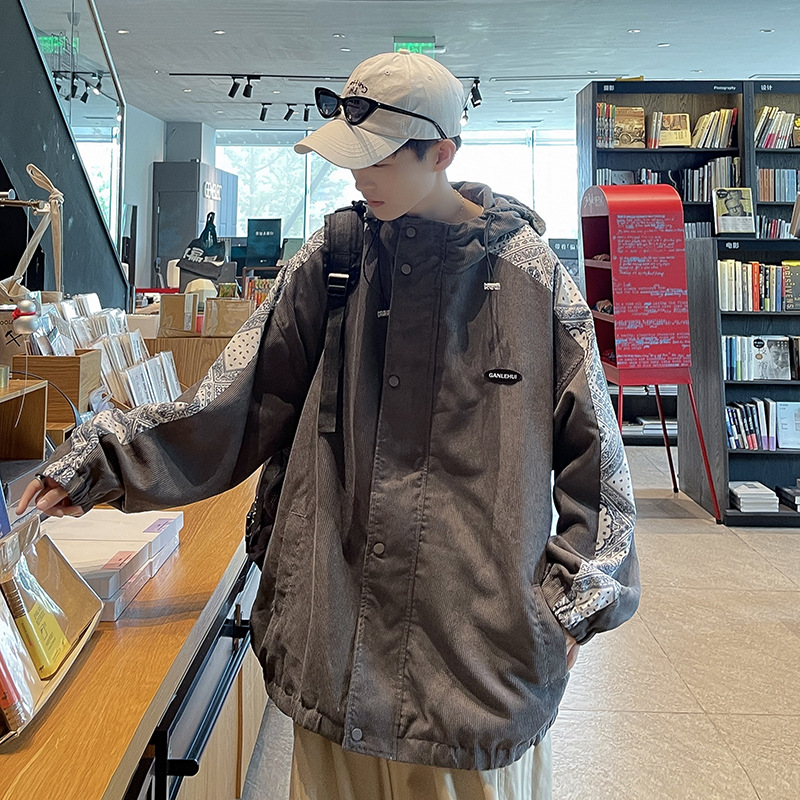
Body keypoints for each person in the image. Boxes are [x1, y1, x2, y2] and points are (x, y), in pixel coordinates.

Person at [18, 51, 639, 799]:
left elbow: (598, 460)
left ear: (442, 153)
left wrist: (572, 606)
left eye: (378, 159)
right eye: (350, 155)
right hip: (335, 647)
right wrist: (104, 458)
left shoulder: (531, 277)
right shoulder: (335, 256)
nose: (357, 175)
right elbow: (233, 400)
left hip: (478, 670)